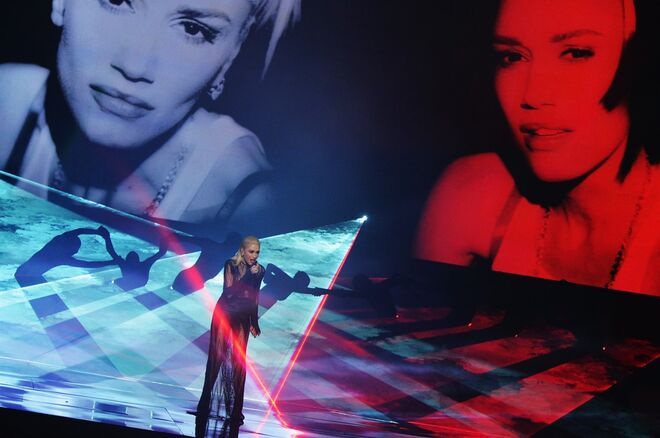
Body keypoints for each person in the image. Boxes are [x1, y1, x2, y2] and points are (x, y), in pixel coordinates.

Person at [416, 0, 659, 296]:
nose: (533, 94)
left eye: (576, 53)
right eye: (512, 57)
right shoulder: (471, 190)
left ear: (640, 63)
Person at [0, 0, 300, 232]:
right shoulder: (9, 107)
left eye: (192, 29)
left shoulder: (245, 206)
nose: (135, 65)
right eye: (117, 1)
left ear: (231, 54)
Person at [195, 236, 264, 436]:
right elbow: (229, 291)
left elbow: (255, 296)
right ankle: (204, 403)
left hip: (243, 316)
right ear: (242, 250)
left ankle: (236, 411)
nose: (254, 255)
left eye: (257, 252)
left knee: (238, 363)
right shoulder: (230, 265)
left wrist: (254, 322)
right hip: (224, 313)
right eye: (251, 251)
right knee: (216, 360)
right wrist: (249, 276)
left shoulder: (260, 270)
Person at [14, 226, 115, 287]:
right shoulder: (61, 258)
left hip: (25, 272)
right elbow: (89, 264)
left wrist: (97, 232)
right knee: (48, 305)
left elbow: (79, 231)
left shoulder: (57, 241)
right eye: (74, 251)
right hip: (26, 276)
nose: (74, 254)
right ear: (68, 249)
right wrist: (111, 262)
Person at [99, 226, 168, 291]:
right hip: (139, 283)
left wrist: (107, 238)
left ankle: (123, 284)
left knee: (115, 281)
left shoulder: (125, 264)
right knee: (116, 281)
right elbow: (161, 252)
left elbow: (111, 251)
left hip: (133, 283)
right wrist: (165, 237)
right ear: (138, 260)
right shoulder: (144, 265)